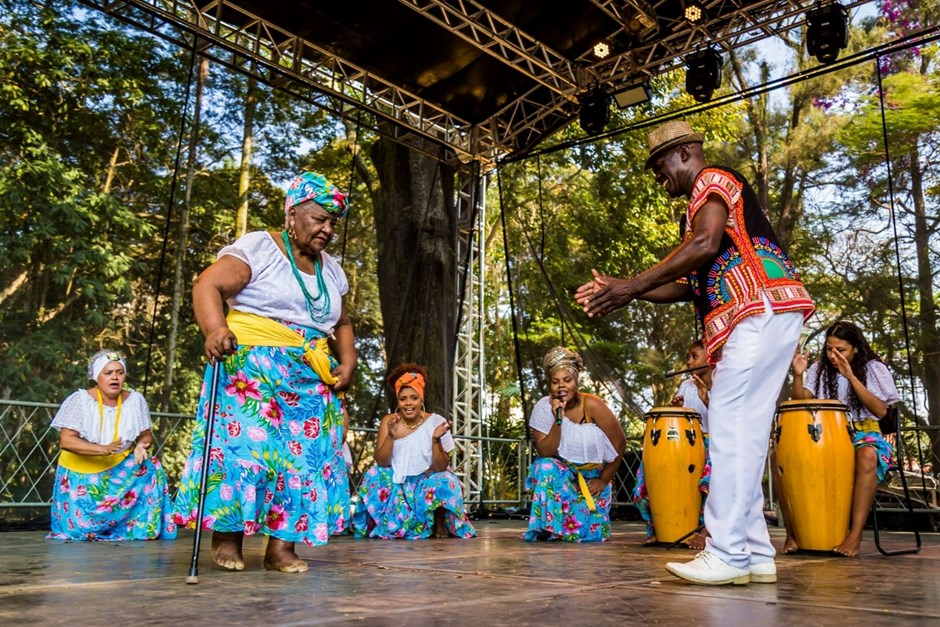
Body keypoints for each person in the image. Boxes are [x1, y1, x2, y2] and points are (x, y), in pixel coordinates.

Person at [575, 120, 814, 584]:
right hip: (771, 311)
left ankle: (725, 551)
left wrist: (631, 286)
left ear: (684, 152)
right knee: (742, 432)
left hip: (756, 308)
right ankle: (754, 553)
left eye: (659, 164)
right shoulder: (698, 210)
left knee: (727, 426)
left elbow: (704, 245)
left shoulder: (712, 180)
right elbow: (687, 283)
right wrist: (626, 291)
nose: (656, 176)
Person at [172, 171, 357, 573]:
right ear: (292, 213)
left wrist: (347, 362)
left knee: (303, 461)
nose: (327, 229)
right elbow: (207, 285)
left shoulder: (332, 271)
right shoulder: (261, 247)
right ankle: (227, 539)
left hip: (308, 379)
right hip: (252, 373)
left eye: (332, 223)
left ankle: (281, 549)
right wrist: (216, 328)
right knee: (246, 454)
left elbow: (341, 322)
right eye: (319, 219)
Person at [786, 320, 900, 557]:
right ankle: (794, 533)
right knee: (783, 457)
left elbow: (880, 411)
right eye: (829, 348)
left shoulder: (873, 368)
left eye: (840, 349)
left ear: (855, 348)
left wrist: (850, 376)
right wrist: (798, 375)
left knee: (867, 455)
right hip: (829, 437)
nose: (833, 354)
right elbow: (800, 400)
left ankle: (854, 535)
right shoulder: (819, 369)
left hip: (867, 434)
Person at [47, 350, 176, 541]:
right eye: (108, 373)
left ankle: (138, 526)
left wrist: (141, 445)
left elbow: (146, 435)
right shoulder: (80, 400)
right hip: (81, 470)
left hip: (118, 466)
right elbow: (66, 441)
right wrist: (102, 449)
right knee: (75, 533)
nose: (114, 377)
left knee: (152, 466)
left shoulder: (135, 400)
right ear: (96, 376)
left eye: (119, 372)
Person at [351, 364, 476, 539]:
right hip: (398, 481)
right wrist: (391, 436)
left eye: (413, 398)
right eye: (403, 399)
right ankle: (381, 522)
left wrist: (435, 440)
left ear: (421, 399)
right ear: (398, 401)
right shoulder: (389, 420)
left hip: (425, 480)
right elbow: (382, 462)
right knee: (374, 474)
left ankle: (439, 522)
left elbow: (441, 467)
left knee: (446, 479)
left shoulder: (436, 421)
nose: (408, 403)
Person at [524, 347, 626, 542]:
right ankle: (549, 527)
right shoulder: (543, 408)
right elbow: (546, 451)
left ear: (576, 381)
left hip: (591, 480)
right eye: (555, 382)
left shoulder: (592, 405)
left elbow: (620, 443)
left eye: (567, 380)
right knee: (546, 466)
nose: (561, 386)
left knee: (588, 534)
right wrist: (558, 419)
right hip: (561, 479)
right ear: (550, 384)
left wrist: (603, 480)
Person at [633, 339, 712, 548]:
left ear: (711, 357)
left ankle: (706, 530)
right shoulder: (686, 385)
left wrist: (707, 400)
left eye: (694, 356)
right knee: (649, 471)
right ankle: (660, 527)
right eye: (689, 357)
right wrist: (676, 407)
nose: (689, 362)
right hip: (684, 445)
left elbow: (729, 421)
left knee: (716, 469)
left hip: (715, 443)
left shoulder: (725, 384)